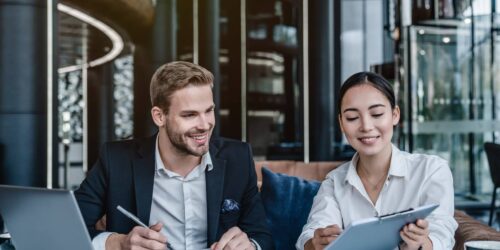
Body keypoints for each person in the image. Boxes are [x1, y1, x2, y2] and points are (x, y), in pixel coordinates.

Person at [75, 61, 273, 250]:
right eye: (190, 115)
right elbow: (67, 227)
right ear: (159, 116)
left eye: (209, 111)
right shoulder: (116, 160)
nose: (205, 125)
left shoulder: (238, 158)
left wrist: (251, 245)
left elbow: (262, 236)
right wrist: (116, 243)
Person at [296, 72, 457, 250]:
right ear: (341, 123)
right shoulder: (334, 182)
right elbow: (311, 233)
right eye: (352, 118)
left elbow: (443, 233)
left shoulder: (431, 170)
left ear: (395, 115)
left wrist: (422, 244)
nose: (366, 126)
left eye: (377, 114)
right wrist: (315, 243)